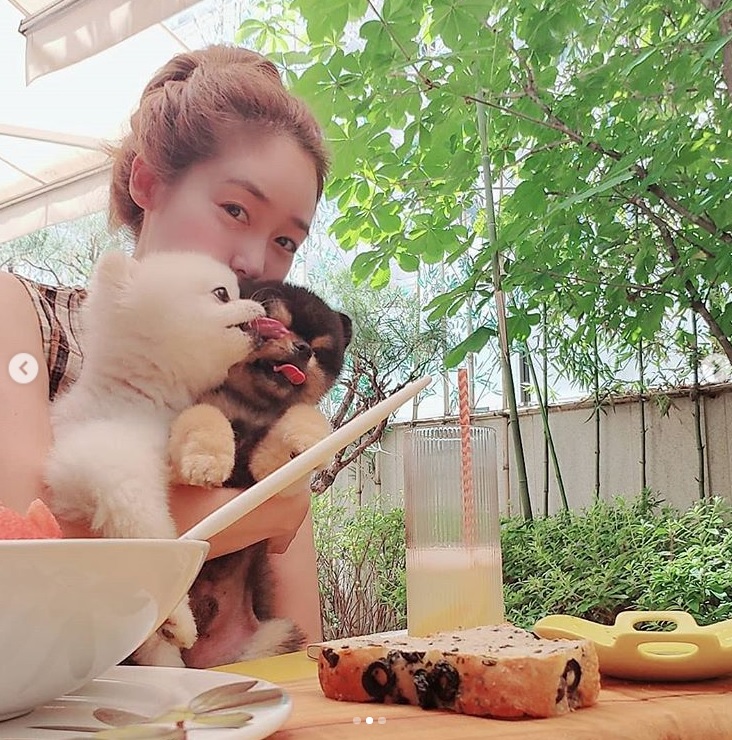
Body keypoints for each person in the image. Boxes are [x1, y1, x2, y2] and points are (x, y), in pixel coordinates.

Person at [0, 45, 329, 645]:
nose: (256, 262)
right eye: (235, 209)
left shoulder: (256, 384)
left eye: (285, 241)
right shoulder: (24, 315)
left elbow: (296, 639)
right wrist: (258, 510)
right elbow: (25, 538)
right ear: (148, 182)